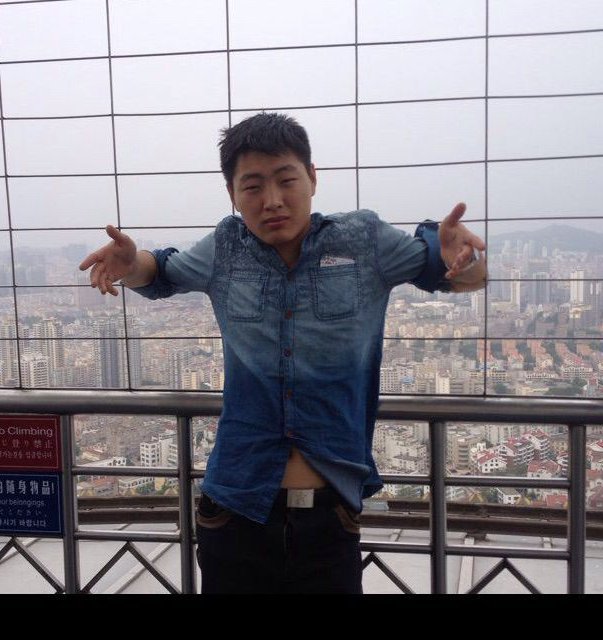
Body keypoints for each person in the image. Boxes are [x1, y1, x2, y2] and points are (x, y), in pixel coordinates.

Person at [79, 112, 486, 593]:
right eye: (252, 187)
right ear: (232, 194)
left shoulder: (364, 241)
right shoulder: (225, 248)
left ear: (312, 177)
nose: (272, 200)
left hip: (329, 516)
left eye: (286, 180)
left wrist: (468, 259)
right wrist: (131, 264)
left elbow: (456, 272)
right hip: (235, 509)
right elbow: (163, 271)